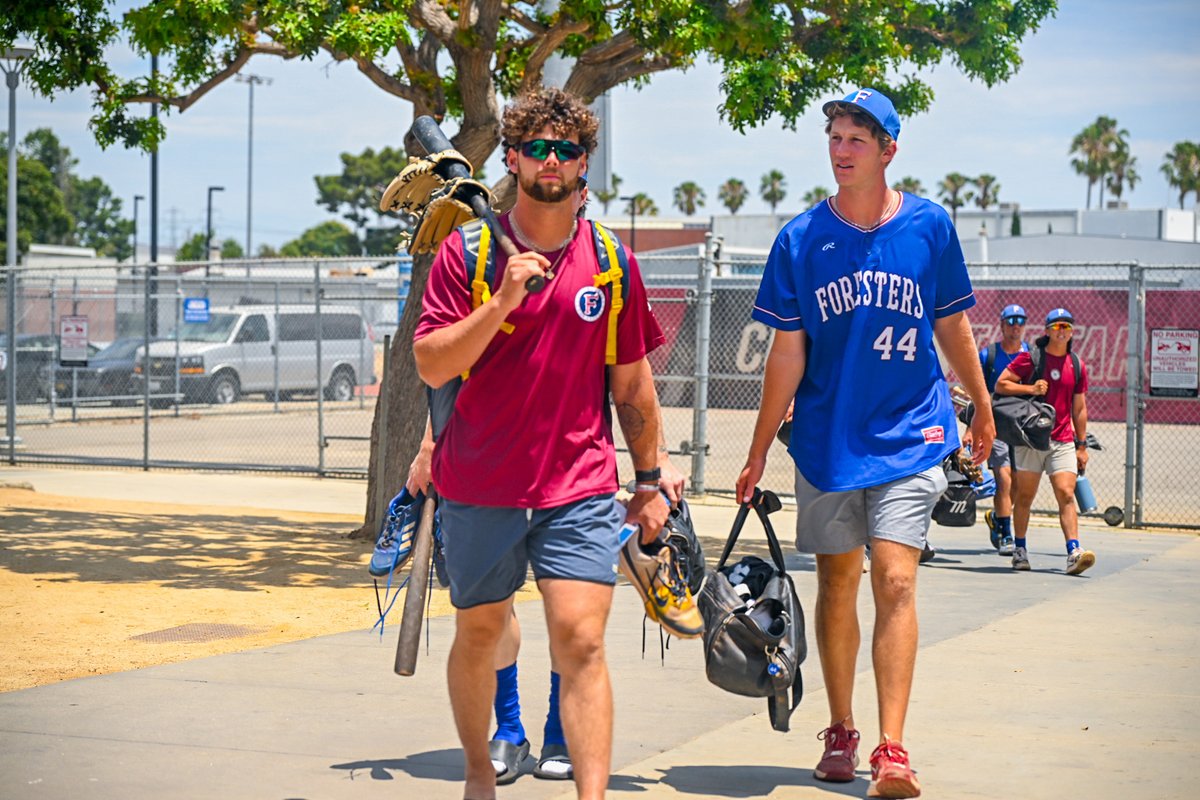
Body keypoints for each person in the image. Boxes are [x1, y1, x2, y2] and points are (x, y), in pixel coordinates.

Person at [412, 87, 674, 800]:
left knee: (581, 639)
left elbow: (632, 387)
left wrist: (650, 481)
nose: (551, 160)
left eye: (566, 149)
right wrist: (503, 301)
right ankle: (480, 772)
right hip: (480, 482)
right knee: (480, 634)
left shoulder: (612, 261)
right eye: (537, 148)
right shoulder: (468, 254)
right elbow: (431, 364)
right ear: (513, 158)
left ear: (584, 163)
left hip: (578, 485)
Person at [735, 87, 995, 799]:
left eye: (856, 138)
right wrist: (757, 449)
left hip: (912, 432)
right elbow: (788, 353)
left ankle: (892, 748)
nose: (842, 150)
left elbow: (952, 324)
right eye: (835, 138)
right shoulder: (801, 239)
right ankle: (841, 729)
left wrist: (982, 406)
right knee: (839, 582)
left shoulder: (929, 226)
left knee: (897, 579)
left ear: (888, 150)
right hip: (828, 440)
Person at [994, 307, 1096, 575]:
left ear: (1071, 332)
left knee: (1066, 493)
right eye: (1057, 326)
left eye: (1067, 327)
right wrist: (1031, 388)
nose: (1062, 331)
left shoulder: (1076, 364)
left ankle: (1074, 552)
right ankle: (1020, 550)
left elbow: (1079, 409)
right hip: (1031, 439)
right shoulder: (1032, 358)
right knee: (1025, 496)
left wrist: (1082, 445)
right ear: (1048, 331)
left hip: (1062, 440)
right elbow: (1001, 384)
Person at [979, 303, 1030, 556]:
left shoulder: (1031, 354)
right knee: (1004, 479)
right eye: (1011, 321)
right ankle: (1006, 535)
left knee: (1018, 483)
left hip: (1022, 427)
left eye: (1020, 321)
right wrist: (972, 427)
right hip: (996, 425)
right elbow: (977, 391)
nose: (1016, 326)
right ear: (1001, 325)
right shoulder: (988, 355)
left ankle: (997, 519)